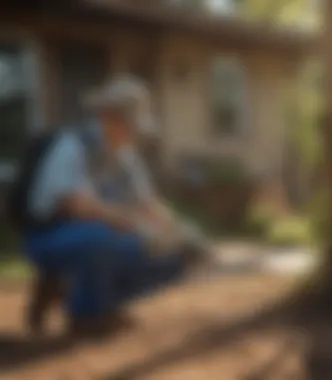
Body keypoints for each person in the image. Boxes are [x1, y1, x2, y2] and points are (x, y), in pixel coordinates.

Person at [23, 75, 208, 336]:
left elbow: (148, 204)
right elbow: (74, 204)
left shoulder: (126, 157)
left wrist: (181, 233)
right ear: (109, 117)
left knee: (178, 259)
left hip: (100, 233)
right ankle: (84, 315)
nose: (135, 134)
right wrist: (131, 223)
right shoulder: (72, 145)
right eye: (130, 124)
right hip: (48, 236)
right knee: (106, 238)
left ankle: (105, 304)